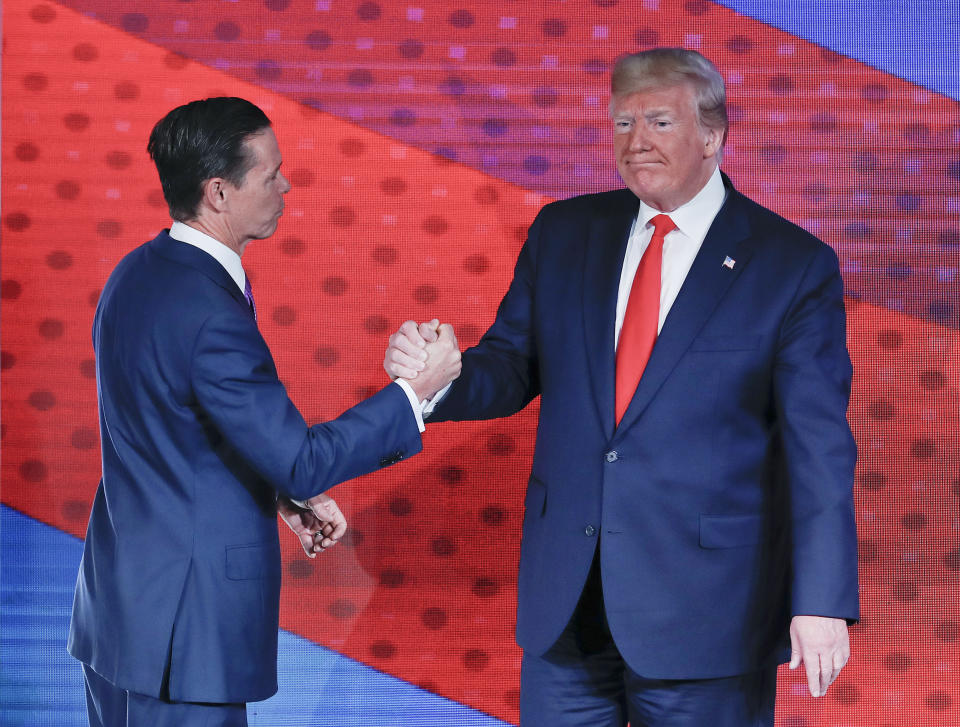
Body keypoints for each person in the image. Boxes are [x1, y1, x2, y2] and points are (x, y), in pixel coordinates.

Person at [385, 48, 858, 726]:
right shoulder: (566, 231)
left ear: (713, 136)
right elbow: (512, 365)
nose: (635, 142)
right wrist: (442, 377)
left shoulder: (791, 266)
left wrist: (821, 599)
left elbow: (819, 447)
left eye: (658, 122)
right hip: (567, 609)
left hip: (708, 616)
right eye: (622, 123)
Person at [68, 96, 461, 727]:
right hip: (186, 637)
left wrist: (274, 492)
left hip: (121, 616)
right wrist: (416, 392)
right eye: (271, 173)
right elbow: (304, 461)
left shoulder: (138, 272)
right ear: (218, 192)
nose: (286, 185)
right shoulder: (210, 311)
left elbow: (173, 426)